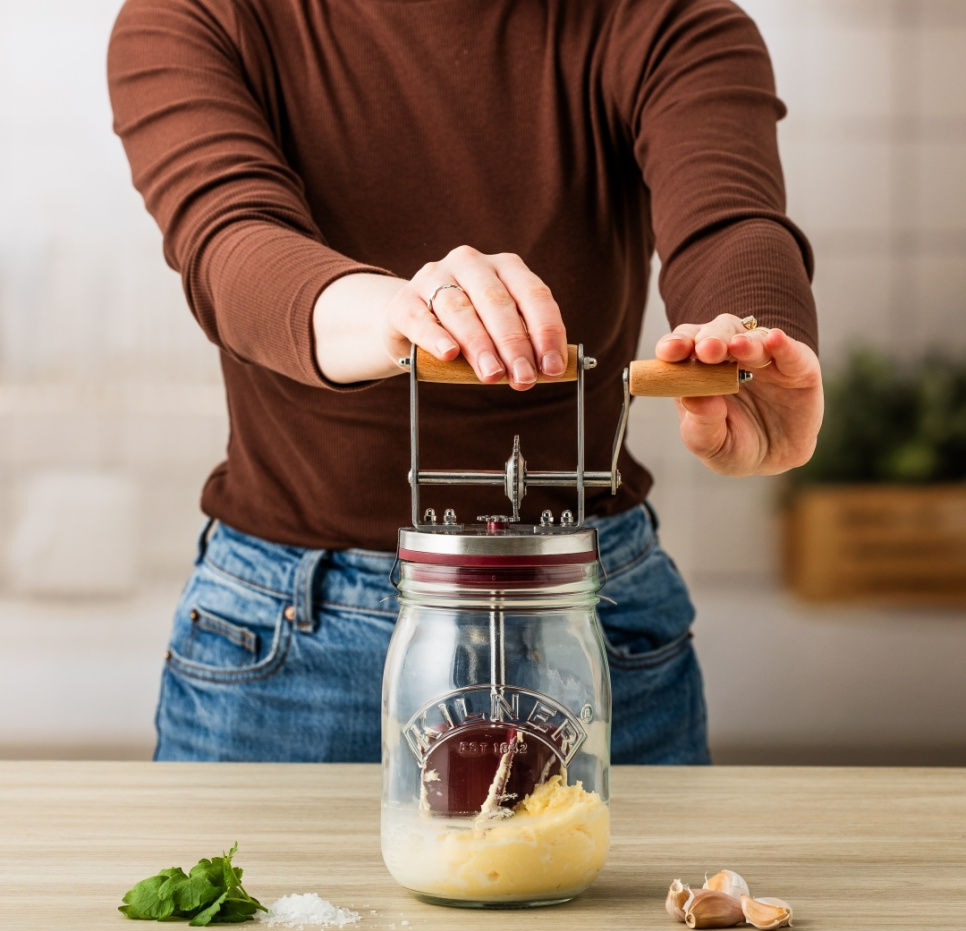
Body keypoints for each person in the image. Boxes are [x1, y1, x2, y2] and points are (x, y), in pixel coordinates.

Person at [107, 0, 822, 764]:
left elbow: (726, 218)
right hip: (292, 634)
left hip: (588, 607)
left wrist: (750, 339)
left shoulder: (666, 18)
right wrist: (404, 314)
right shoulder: (196, 15)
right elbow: (231, 240)